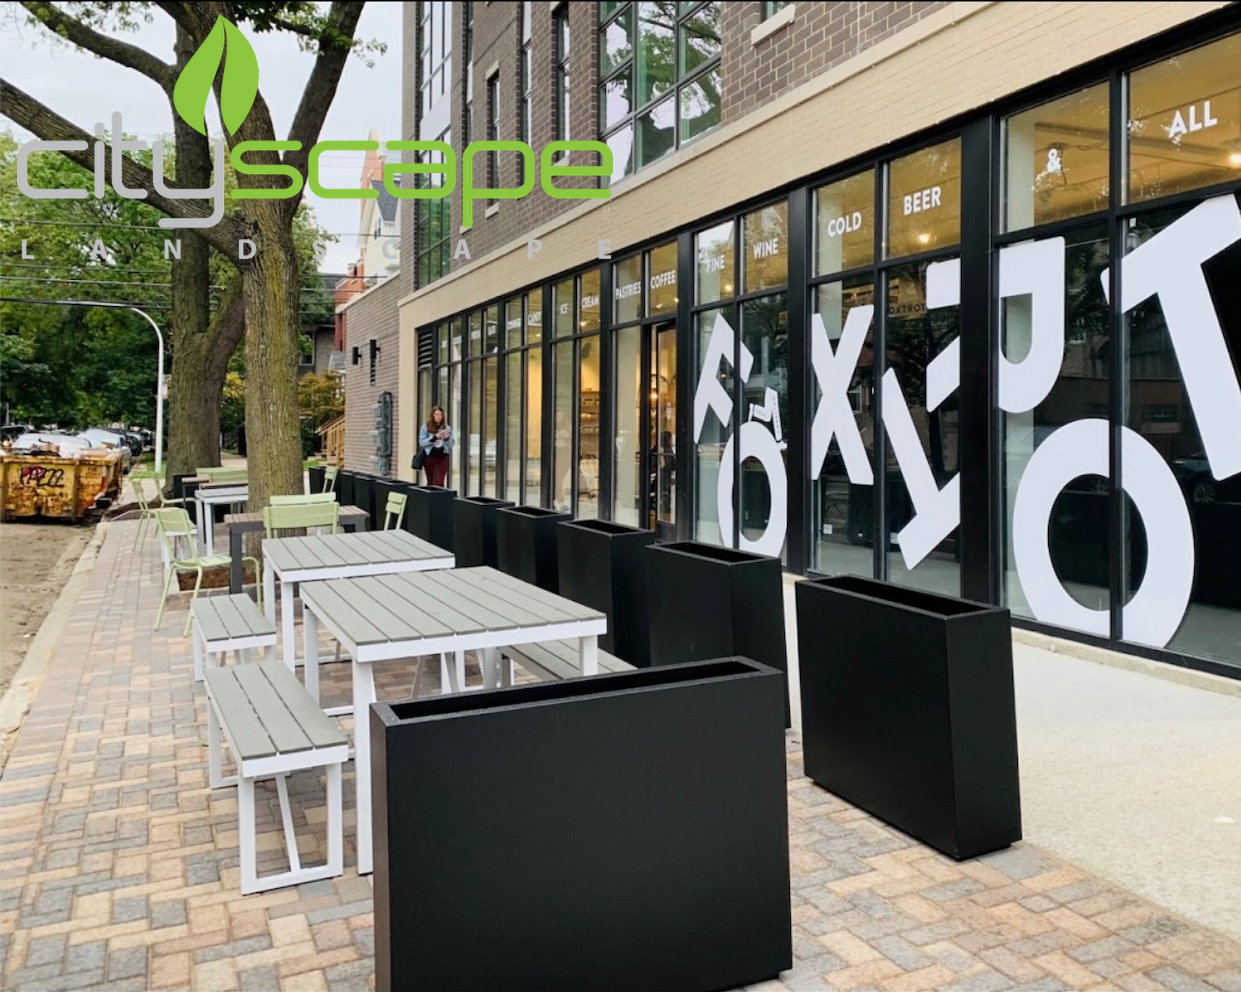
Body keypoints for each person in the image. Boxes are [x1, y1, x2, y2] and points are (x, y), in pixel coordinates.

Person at [418, 406, 455, 487]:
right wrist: (434, 437)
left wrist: (446, 438)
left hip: (442, 456)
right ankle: (431, 498)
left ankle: (440, 498)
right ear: (433, 416)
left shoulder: (447, 428)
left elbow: (451, 444)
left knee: (439, 481)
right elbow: (422, 442)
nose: (439, 417)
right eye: (437, 415)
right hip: (430, 455)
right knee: (431, 481)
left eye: (440, 415)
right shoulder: (425, 427)